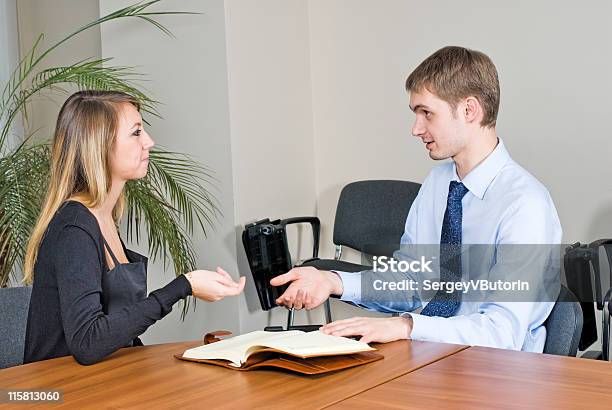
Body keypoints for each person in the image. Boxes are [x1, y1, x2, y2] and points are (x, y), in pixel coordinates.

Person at [271, 46, 562, 352]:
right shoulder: (439, 183)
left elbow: (503, 333)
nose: (416, 129)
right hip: (431, 355)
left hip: (498, 373)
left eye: (427, 113)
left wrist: (407, 326)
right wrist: (333, 281)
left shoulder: (526, 205)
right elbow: (412, 280)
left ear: (469, 110)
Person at [23, 90, 245, 365]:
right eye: (136, 132)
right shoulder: (75, 229)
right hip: (60, 394)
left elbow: (117, 327)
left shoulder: (104, 218)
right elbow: (88, 342)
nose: (149, 142)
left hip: (106, 380)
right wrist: (183, 286)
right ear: (99, 145)